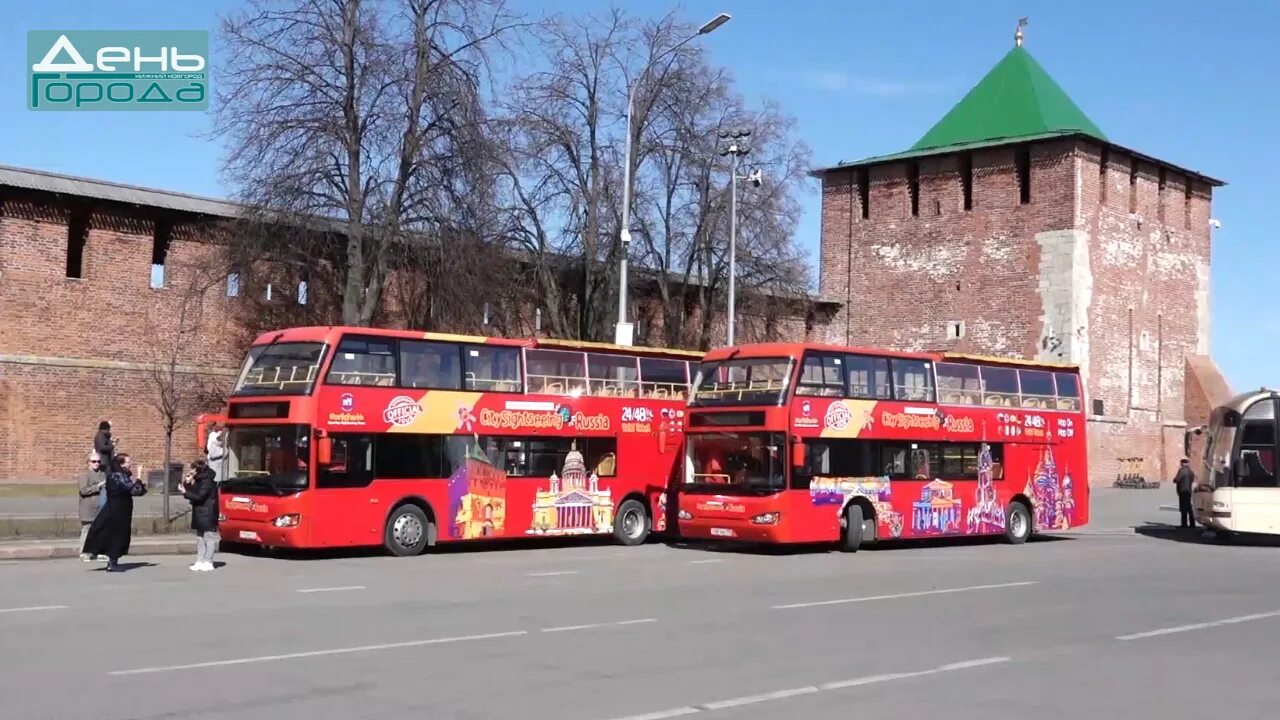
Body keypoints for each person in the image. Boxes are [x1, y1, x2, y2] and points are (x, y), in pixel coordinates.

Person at [82, 453, 146, 572]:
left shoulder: (117, 475)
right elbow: (135, 490)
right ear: (121, 464)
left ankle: (112, 561)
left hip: (117, 509)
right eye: (128, 462)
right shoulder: (118, 476)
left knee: (114, 534)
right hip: (118, 510)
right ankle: (112, 563)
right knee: (117, 535)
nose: (130, 464)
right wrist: (139, 475)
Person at [182, 459, 220, 571]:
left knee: (209, 536)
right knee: (200, 537)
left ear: (197, 469)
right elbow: (194, 492)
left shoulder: (207, 480)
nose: (191, 471)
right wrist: (187, 483)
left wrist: (185, 492)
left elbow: (200, 496)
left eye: (192, 469)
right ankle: (200, 560)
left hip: (208, 511)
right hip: (199, 511)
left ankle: (208, 561)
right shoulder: (199, 479)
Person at [77, 451, 106, 562]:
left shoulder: (103, 475)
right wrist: (97, 487)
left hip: (101, 506)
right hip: (87, 507)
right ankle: (84, 552)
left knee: (100, 530)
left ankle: (98, 551)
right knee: (87, 530)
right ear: (88, 463)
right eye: (94, 461)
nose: (96, 464)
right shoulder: (84, 476)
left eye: (98, 461)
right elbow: (83, 490)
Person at [1173, 457, 1196, 528]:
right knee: (1189, 507)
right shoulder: (1191, 471)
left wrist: (1175, 480)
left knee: (1183, 508)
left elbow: (1177, 479)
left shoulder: (1182, 471)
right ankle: (1192, 523)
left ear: (1182, 463)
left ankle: (1184, 524)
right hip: (1188, 490)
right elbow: (1192, 479)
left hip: (1182, 490)